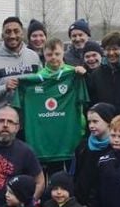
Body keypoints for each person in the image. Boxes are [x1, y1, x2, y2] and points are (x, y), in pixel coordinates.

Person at [12, 38, 88, 177]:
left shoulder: (74, 74)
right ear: (44, 55)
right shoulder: (36, 79)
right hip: (47, 141)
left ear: (63, 53)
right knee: (53, 177)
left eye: (57, 54)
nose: (53, 58)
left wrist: (82, 73)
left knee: (75, 176)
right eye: (49, 54)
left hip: (71, 137)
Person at [0, 17, 41, 115]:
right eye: (8, 32)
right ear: (2, 35)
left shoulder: (33, 56)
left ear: (22, 34)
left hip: (30, 119)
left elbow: (42, 83)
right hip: (4, 123)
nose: (12, 35)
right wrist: (4, 88)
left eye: (16, 31)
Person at [69, 102, 116, 206]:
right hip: (82, 203)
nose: (91, 125)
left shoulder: (115, 148)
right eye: (89, 122)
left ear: (109, 122)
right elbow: (73, 174)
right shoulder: (82, 147)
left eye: (95, 121)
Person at [87, 31, 120, 108]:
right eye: (108, 49)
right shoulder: (96, 74)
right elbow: (92, 102)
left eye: (115, 49)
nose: (111, 53)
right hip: (104, 119)